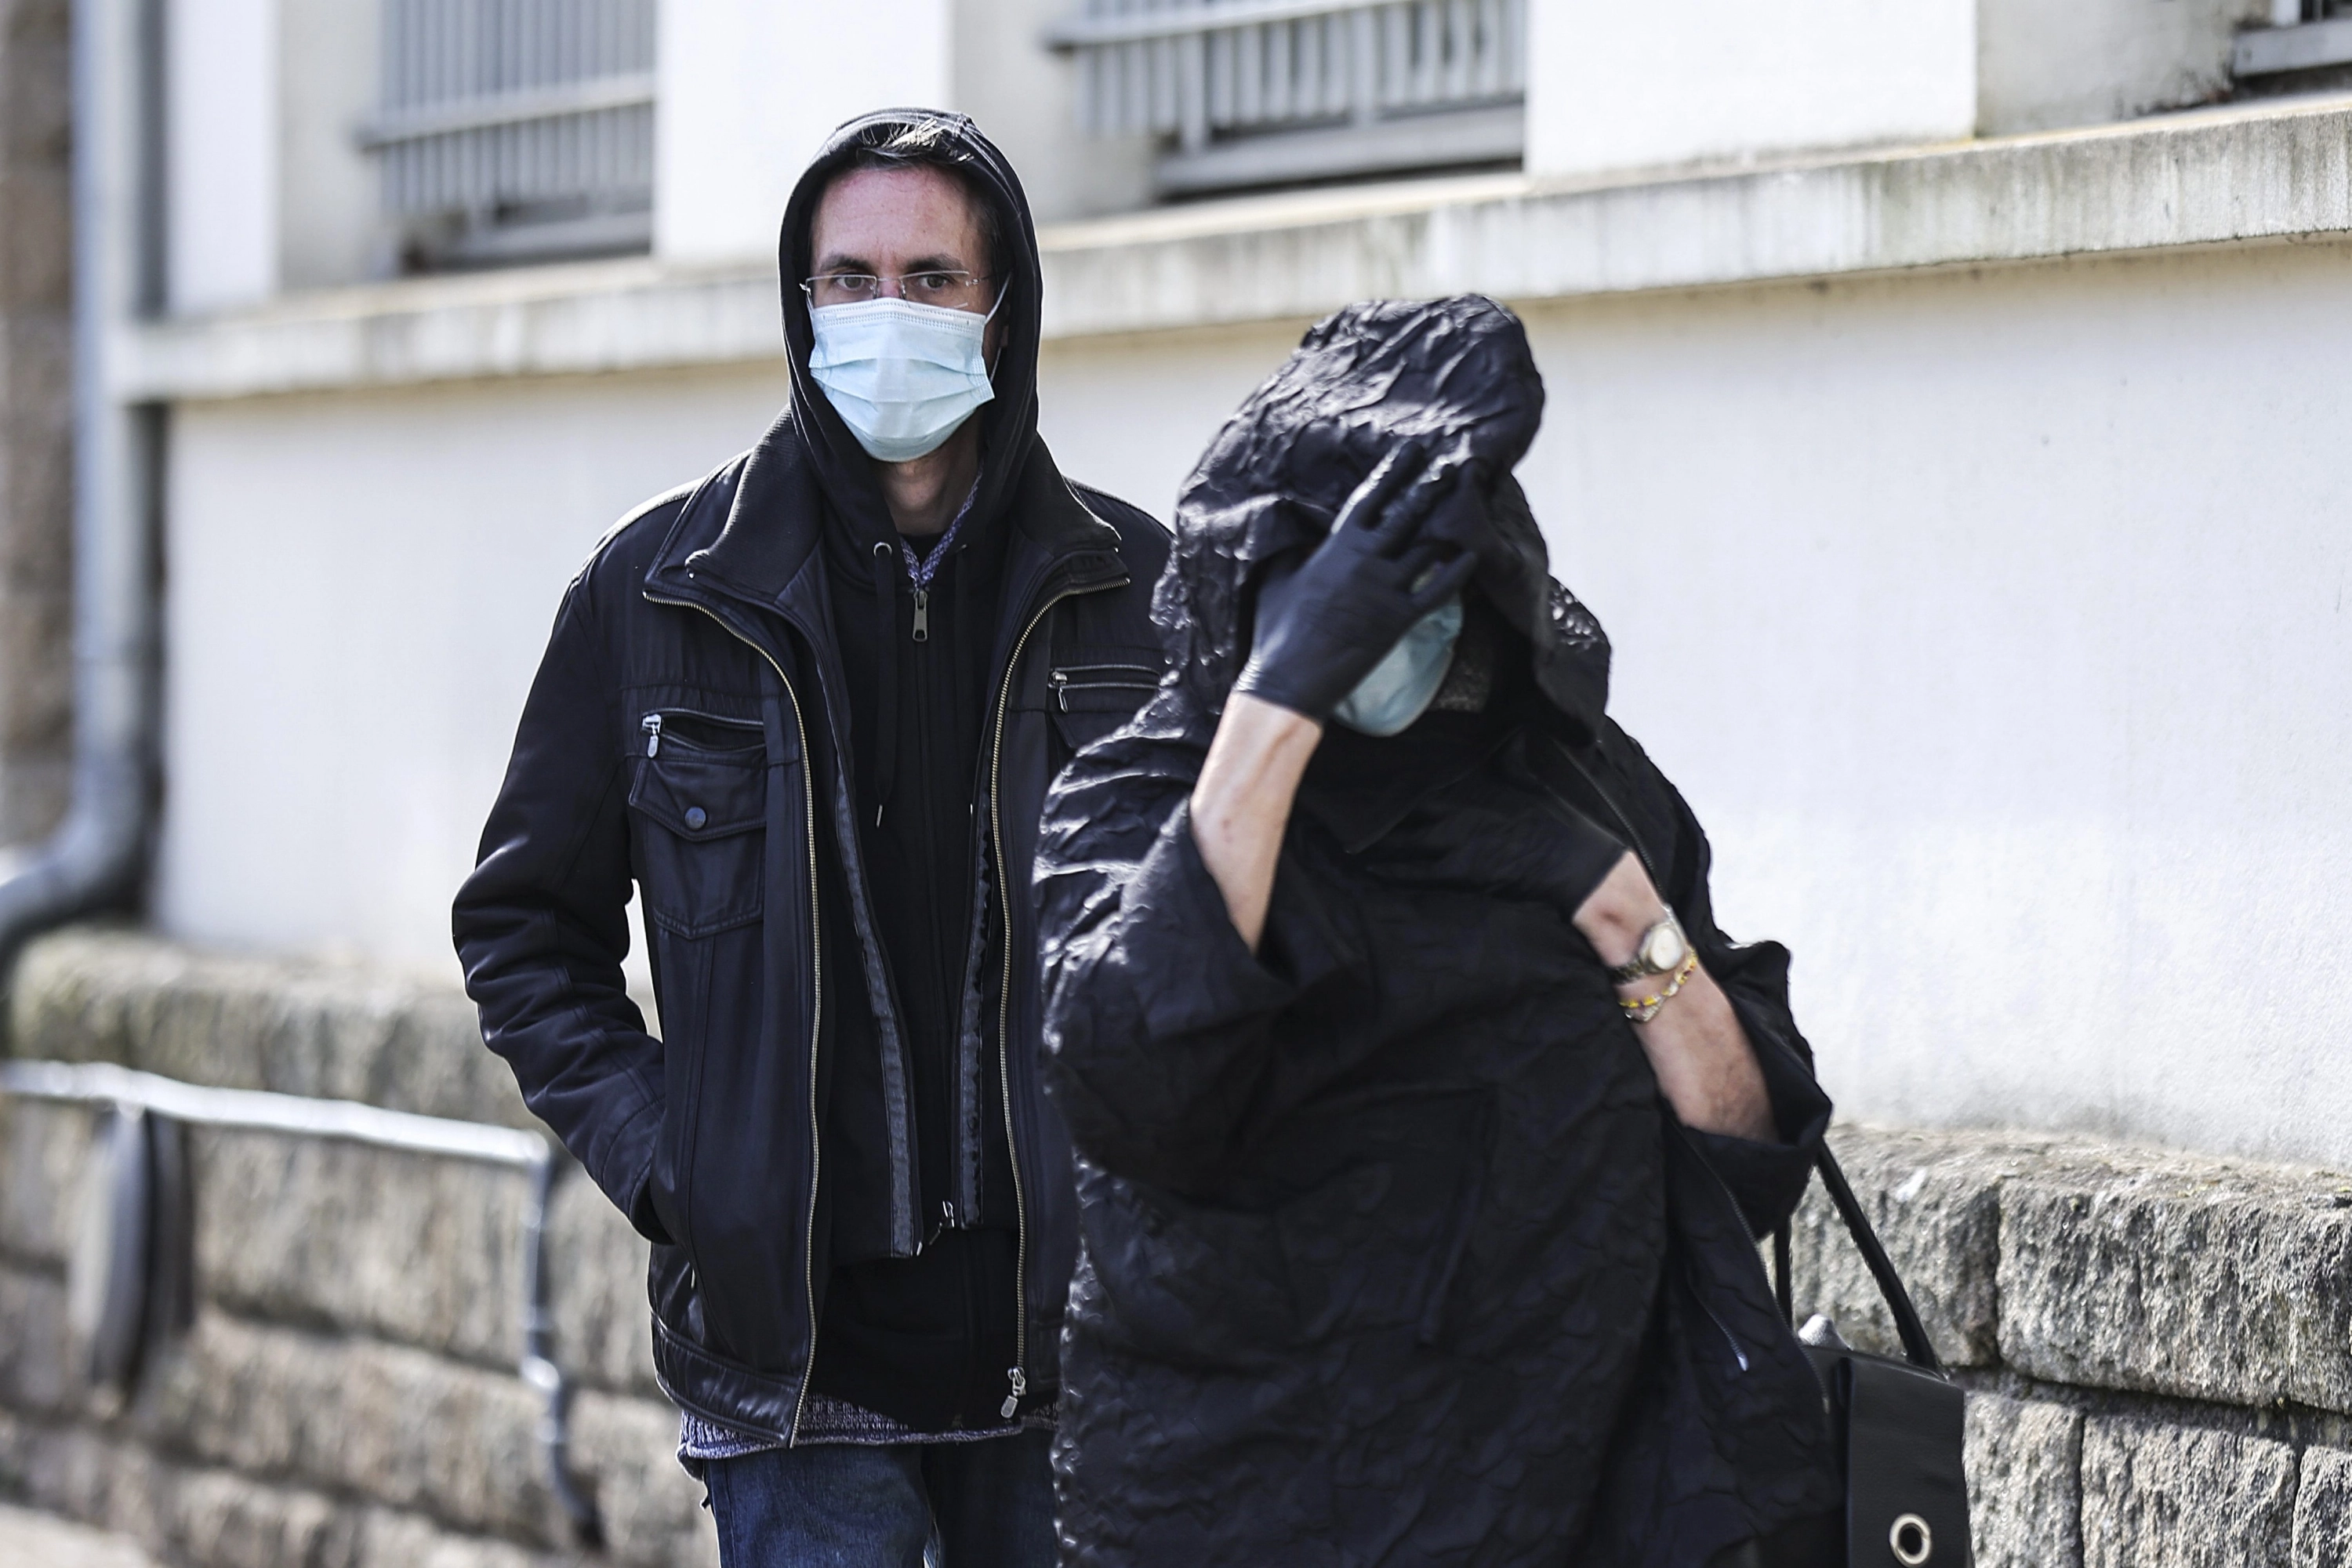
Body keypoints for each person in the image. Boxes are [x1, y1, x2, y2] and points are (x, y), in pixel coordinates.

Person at [453, 110, 1171, 1567]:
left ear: (1002, 307)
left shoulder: (1140, 593)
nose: (882, 315)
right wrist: (680, 1166)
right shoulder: (657, 591)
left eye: (928, 278)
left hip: (1074, 1365)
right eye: (846, 279)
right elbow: (524, 932)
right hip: (795, 1384)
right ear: (800, 303)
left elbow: (1227, 936)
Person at [1036, 297, 1843, 1566]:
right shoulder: (1143, 798)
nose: (1396, 632)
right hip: (1238, 1509)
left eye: (1428, 580)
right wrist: (1284, 700)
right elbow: (1130, 1078)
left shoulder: (1584, 787)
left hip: (1575, 1500)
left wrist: (1614, 903)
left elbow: (1748, 1159)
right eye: (1352, 588)